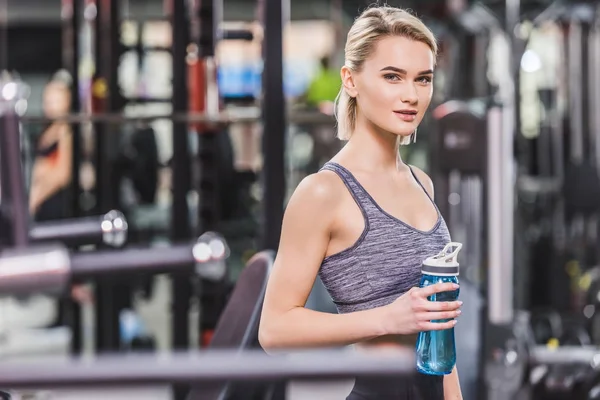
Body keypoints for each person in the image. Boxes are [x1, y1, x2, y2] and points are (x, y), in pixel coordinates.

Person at [259, 6, 463, 400]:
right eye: (392, 77)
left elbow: (439, 334)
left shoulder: (422, 184)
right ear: (351, 80)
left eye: (423, 79)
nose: (411, 95)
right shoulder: (324, 193)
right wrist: (389, 318)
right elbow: (274, 330)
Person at [29, 70, 73, 220]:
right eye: (47, 100)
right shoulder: (46, 129)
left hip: (53, 200)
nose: (50, 105)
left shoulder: (64, 132)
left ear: (66, 101)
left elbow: (62, 174)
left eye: (55, 101)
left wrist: (37, 195)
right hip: (41, 199)